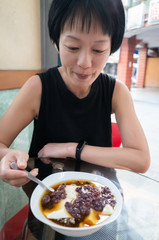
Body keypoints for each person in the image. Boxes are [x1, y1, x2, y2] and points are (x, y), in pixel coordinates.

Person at [0, 0, 150, 239]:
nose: (85, 63)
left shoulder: (116, 91)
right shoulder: (38, 88)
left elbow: (141, 159)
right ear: (56, 41)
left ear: (111, 47)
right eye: (72, 47)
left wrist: (72, 149)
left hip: (101, 210)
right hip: (48, 210)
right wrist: (7, 157)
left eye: (98, 50)